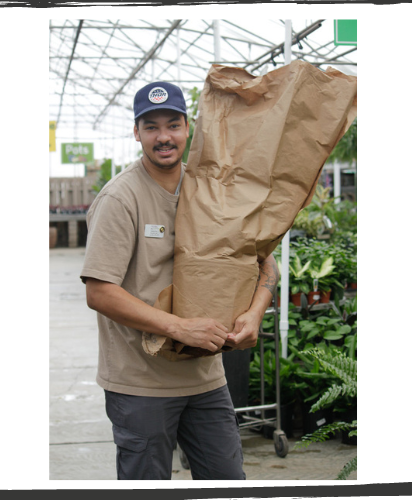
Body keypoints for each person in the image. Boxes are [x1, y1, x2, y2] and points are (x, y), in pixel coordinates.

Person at [80, 81, 279, 480]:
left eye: (173, 124)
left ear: (188, 128)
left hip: (206, 379)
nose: (164, 137)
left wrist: (256, 313)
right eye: (151, 127)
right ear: (137, 132)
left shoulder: (210, 191)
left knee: (227, 481)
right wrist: (181, 327)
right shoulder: (121, 198)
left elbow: (264, 263)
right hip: (140, 384)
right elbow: (100, 292)